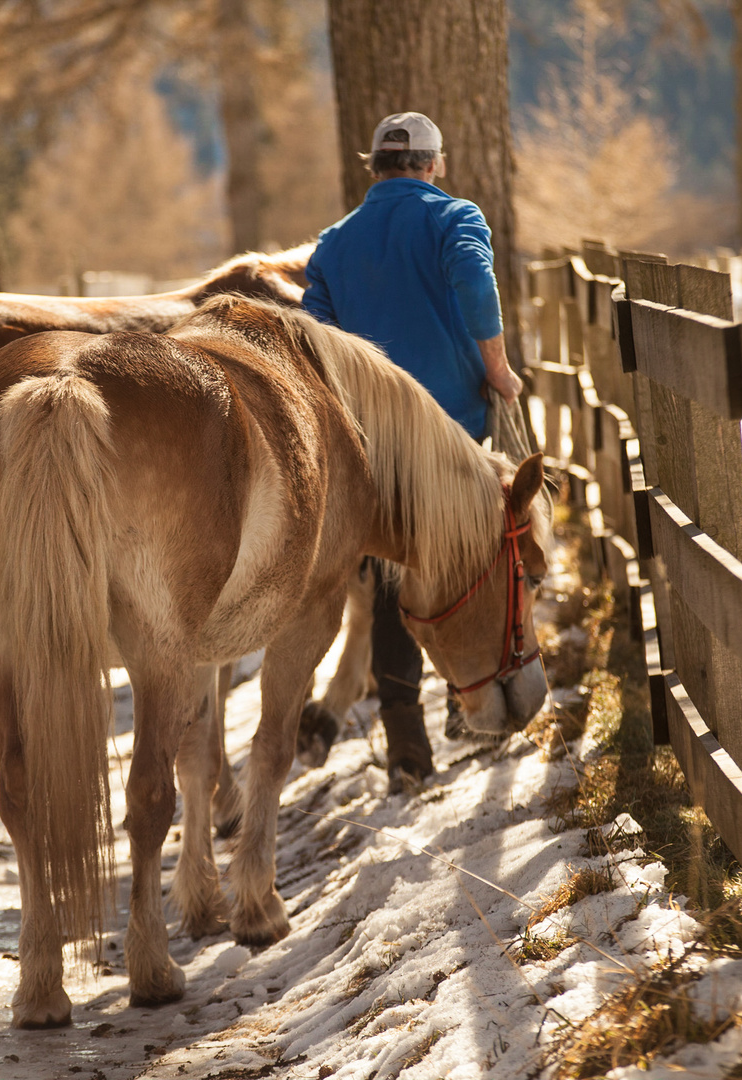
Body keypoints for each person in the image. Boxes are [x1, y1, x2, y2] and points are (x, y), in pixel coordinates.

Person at [301, 111, 521, 790]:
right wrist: (498, 367)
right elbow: (475, 286)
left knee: (394, 582)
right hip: (455, 435)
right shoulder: (455, 218)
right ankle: (473, 703)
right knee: (471, 569)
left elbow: (315, 337)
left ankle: (407, 749)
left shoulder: (334, 244)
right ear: (435, 163)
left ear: (375, 167)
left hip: (375, 452)